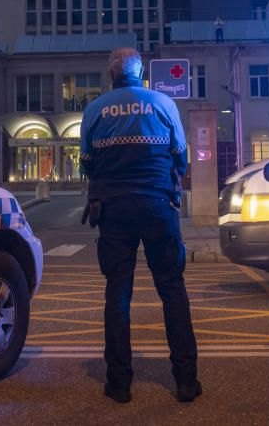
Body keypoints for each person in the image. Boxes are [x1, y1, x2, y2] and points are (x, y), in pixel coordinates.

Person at [79, 47, 199, 404]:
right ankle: (186, 381)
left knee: (118, 294)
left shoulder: (95, 110)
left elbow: (87, 162)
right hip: (159, 206)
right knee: (172, 289)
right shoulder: (163, 104)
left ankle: (119, 384)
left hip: (114, 210)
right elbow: (181, 155)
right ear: (141, 73)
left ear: (111, 74)